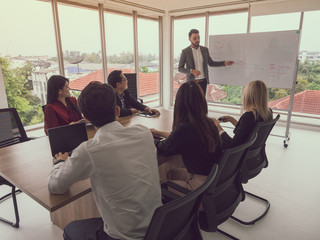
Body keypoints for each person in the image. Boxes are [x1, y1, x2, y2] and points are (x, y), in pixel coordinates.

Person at [48, 82, 162, 240]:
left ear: (85, 118)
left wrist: (59, 163)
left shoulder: (89, 150)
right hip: (159, 225)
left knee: (70, 229)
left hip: (124, 236)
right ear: (117, 110)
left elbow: (56, 186)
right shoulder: (143, 133)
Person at [151, 81, 221, 191]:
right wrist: (158, 132)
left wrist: (149, 139)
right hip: (213, 179)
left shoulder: (185, 128)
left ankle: (182, 204)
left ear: (180, 103)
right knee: (171, 173)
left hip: (200, 186)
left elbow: (163, 149)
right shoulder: (208, 122)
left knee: (156, 188)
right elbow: (177, 139)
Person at [212, 80, 273, 149]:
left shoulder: (249, 116)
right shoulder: (268, 113)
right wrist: (231, 119)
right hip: (253, 153)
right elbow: (246, 130)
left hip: (240, 154)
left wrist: (218, 127)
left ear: (248, 95)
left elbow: (231, 146)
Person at [178, 29, 234, 95]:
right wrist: (192, 71)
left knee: (202, 103)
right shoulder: (185, 52)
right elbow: (180, 68)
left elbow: (211, 63)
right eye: (194, 38)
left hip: (203, 82)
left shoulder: (205, 50)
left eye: (198, 37)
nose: (197, 40)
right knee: (192, 103)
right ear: (189, 39)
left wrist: (224, 63)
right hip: (191, 82)